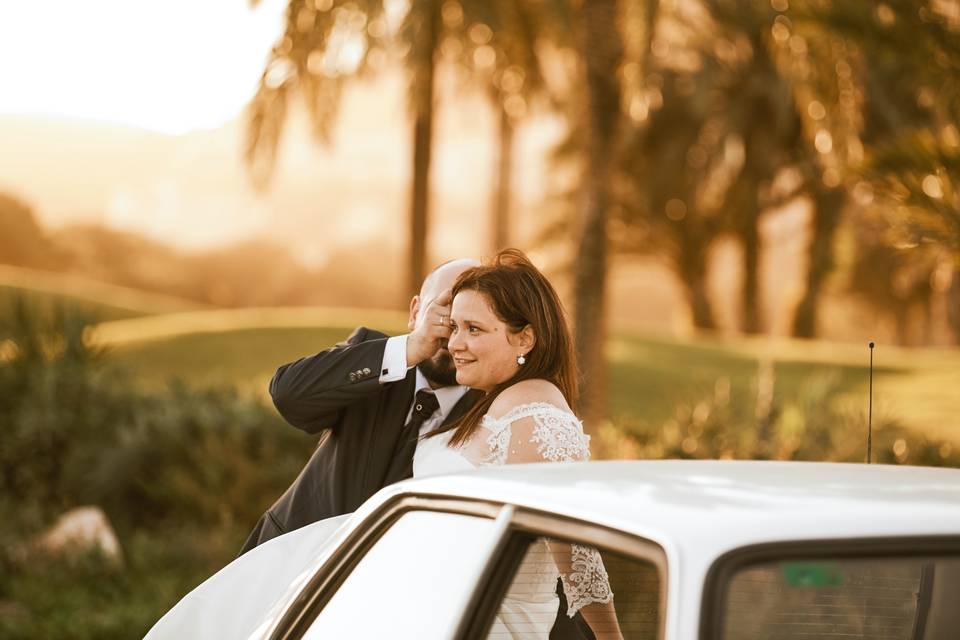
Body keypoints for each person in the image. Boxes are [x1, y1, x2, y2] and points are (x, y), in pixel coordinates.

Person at [414, 249, 625, 640]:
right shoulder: (493, 401)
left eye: (474, 329)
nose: (455, 343)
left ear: (524, 337)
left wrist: (611, 639)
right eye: (455, 327)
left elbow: (578, 557)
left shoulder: (538, 416)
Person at [239, 258, 483, 553]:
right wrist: (412, 346)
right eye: (443, 310)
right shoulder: (373, 356)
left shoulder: (494, 414)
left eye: (468, 323)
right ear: (416, 311)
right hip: (283, 559)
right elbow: (288, 395)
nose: (449, 331)